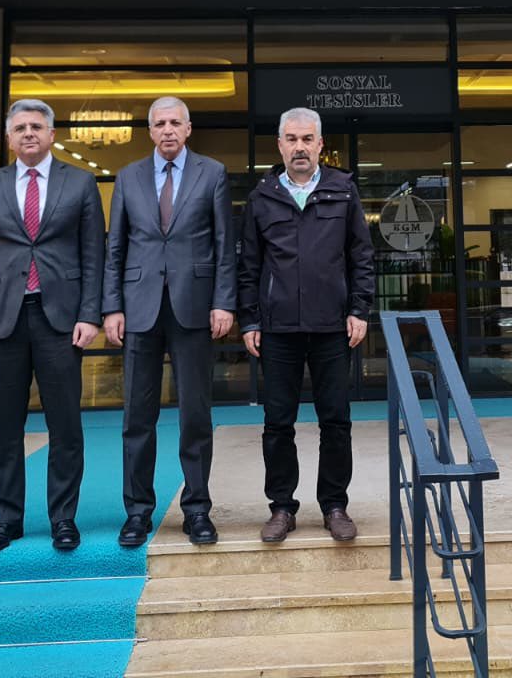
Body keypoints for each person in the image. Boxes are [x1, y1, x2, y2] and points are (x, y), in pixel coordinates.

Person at [0, 99, 104, 555]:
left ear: (52, 135)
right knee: (4, 426)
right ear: (9, 138)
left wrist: (90, 314)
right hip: (3, 319)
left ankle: (63, 518)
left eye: (37, 127)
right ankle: (5, 520)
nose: (28, 134)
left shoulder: (80, 183)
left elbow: (94, 255)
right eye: (20, 128)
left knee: (65, 425)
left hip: (60, 318)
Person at [102, 97, 236, 548]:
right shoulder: (128, 176)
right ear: (150, 131)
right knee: (137, 416)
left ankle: (197, 510)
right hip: (139, 307)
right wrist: (112, 307)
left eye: (175, 122)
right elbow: (116, 247)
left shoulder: (212, 173)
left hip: (194, 306)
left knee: (195, 414)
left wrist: (223, 302)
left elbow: (224, 244)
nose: (168, 130)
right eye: (159, 123)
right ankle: (137, 512)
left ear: (189, 128)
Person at [238, 108, 374, 544]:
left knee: (336, 421)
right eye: (292, 139)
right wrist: (250, 318)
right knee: (278, 423)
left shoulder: (343, 190)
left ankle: (335, 506)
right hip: (277, 329)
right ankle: (282, 507)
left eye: (307, 139)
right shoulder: (262, 197)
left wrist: (359, 310)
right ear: (280, 145)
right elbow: (249, 265)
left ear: (320, 144)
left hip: (332, 326)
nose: (300, 147)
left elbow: (361, 256)